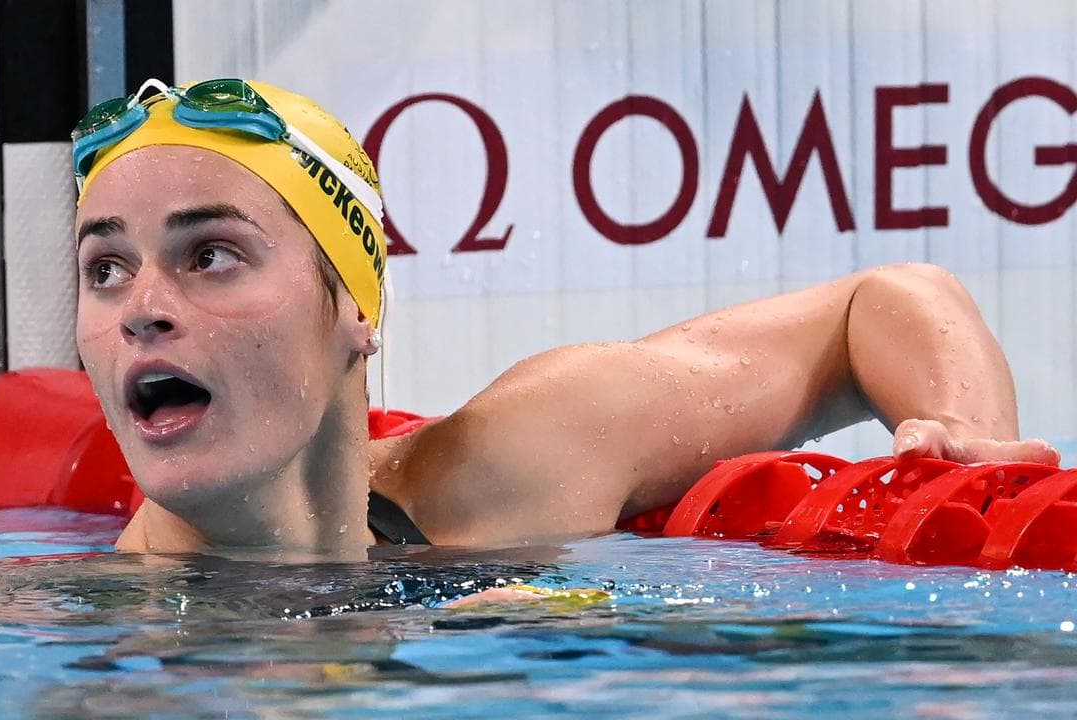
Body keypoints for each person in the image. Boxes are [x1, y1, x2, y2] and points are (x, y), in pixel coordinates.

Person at [71, 78, 1059, 554]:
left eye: (211, 255)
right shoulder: (93, 643)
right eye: (106, 269)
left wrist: (965, 437)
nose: (142, 309)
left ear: (353, 309)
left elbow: (880, 301)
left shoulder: (511, 467)